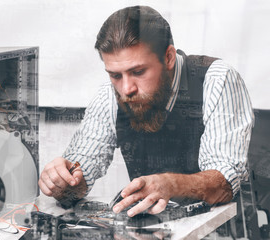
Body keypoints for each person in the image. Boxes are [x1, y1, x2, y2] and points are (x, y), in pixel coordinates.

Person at [38, 5, 254, 218]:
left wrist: (169, 184)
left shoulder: (216, 80)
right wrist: (63, 182)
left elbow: (223, 184)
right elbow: (77, 180)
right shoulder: (110, 94)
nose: (126, 89)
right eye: (115, 75)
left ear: (168, 57)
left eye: (138, 71)